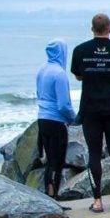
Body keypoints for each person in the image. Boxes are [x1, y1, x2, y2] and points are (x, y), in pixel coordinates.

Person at [71, 13, 110, 213]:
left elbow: (79, 76)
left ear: (92, 29)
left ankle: (97, 201)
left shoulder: (80, 50)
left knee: (94, 153)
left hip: (90, 108)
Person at [36, 39, 77, 200]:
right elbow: (64, 105)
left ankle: (49, 195)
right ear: (62, 53)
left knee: (50, 161)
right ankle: (54, 198)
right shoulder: (60, 74)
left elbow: (39, 95)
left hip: (42, 119)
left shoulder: (42, 70)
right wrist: (74, 119)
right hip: (56, 122)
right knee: (57, 162)